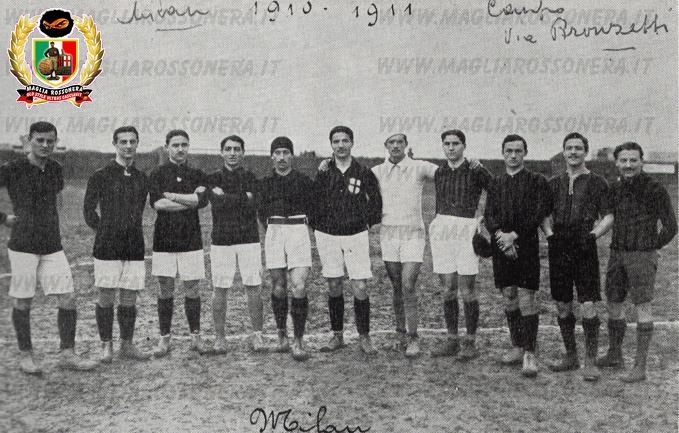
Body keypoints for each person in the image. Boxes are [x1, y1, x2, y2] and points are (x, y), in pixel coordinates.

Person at [2, 121, 97, 374]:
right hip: (23, 245)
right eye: (40, 140)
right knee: (23, 300)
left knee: (67, 297)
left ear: (55, 142)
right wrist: (3, 218)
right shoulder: (13, 168)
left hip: (52, 245)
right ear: (29, 140)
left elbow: (58, 199)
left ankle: (67, 354)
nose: (45, 145)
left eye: (50, 141)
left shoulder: (55, 168)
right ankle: (26, 356)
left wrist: (57, 223)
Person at [596, 142, 676, 382]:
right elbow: (609, 218)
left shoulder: (655, 189)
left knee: (642, 306)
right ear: (617, 163)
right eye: (624, 160)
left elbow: (671, 226)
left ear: (642, 161)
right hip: (617, 253)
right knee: (613, 302)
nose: (628, 165)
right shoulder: (615, 188)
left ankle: (640, 367)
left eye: (633, 160)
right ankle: (615, 354)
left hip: (641, 256)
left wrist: (650, 246)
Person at [542, 132, 614, 381]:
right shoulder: (553, 183)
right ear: (563, 152)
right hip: (559, 246)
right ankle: (571, 356)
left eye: (578, 148)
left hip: (584, 245)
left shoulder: (597, 182)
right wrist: (550, 235)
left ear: (585, 152)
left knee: (588, 303)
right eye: (569, 148)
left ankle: (590, 362)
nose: (573, 152)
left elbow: (608, 216)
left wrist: (593, 236)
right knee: (562, 304)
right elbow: (544, 214)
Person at [484, 134, 551, 377]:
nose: (513, 155)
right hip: (501, 245)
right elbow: (489, 215)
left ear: (525, 153)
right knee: (509, 295)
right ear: (503, 153)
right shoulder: (496, 183)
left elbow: (539, 212)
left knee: (526, 297)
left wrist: (515, 235)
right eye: (509, 151)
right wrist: (501, 236)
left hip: (526, 246)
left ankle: (530, 353)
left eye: (518, 151)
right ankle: (517, 345)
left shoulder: (536, 181)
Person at [311, 126, 382, 355]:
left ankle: (364, 336)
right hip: (328, 234)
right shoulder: (324, 171)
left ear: (352, 143)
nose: (340, 145)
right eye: (336, 141)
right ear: (331, 144)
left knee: (359, 285)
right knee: (334, 284)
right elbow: (313, 200)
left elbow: (376, 202)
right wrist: (318, 226)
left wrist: (366, 223)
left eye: (344, 140)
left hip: (355, 235)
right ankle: (337, 335)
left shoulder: (363, 171)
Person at [84, 126, 151, 362]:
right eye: (123, 142)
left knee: (129, 297)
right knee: (106, 295)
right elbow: (88, 211)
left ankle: (127, 344)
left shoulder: (142, 178)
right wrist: (104, 231)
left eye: (132, 141)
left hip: (134, 245)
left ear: (137, 144)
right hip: (107, 247)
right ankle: (106, 346)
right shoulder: (100, 175)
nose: (128, 146)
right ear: (115, 144)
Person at [370, 133, 438, 358]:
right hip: (389, 234)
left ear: (406, 145)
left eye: (400, 142)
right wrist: (327, 163)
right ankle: (400, 333)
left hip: (413, 235)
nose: (396, 146)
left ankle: (413, 337)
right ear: (386, 146)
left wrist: (470, 162)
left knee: (408, 284)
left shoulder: (419, 167)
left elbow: (447, 172)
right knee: (397, 286)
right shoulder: (377, 171)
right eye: (391, 142)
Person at [429, 130, 492, 361]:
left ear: (464, 146)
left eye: (455, 143)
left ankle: (470, 342)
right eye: (447, 144)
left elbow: (496, 190)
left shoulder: (476, 170)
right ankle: (452, 340)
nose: (451, 147)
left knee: (467, 289)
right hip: (442, 228)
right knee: (448, 288)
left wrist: (485, 217)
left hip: (466, 227)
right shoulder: (439, 171)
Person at [149, 130, 209, 357]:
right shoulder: (157, 173)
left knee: (192, 288)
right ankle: (165, 339)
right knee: (165, 288)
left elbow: (201, 201)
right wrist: (189, 201)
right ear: (167, 148)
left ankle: (196, 337)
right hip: (164, 239)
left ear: (188, 147)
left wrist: (173, 196)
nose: (180, 149)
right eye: (175, 145)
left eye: (184, 144)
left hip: (191, 239)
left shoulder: (197, 174)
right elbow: (159, 205)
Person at [207, 135, 266, 354]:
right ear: (221, 152)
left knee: (253, 287)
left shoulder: (251, 177)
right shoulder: (213, 178)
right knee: (220, 288)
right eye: (228, 149)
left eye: (237, 149)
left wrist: (227, 198)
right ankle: (220, 338)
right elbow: (218, 203)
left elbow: (254, 203)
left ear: (243, 152)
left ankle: (257, 335)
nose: (232, 153)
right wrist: (243, 198)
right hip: (222, 240)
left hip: (249, 239)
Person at [259, 137, 314, 361]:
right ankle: (282, 336)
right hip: (274, 231)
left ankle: (298, 340)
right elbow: (261, 213)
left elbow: (313, 209)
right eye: (278, 153)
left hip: (298, 231)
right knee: (279, 286)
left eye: (285, 153)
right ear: (272, 156)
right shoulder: (265, 183)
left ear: (292, 155)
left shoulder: (304, 181)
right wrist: (273, 230)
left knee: (299, 285)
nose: (281, 157)